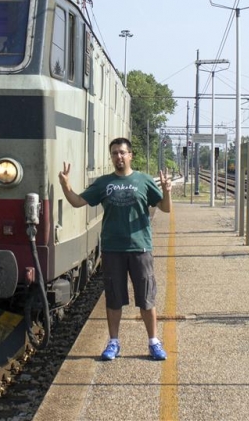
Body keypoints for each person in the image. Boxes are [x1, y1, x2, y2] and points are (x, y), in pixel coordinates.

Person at [58, 137, 172, 361]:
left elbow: (166, 208)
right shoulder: (104, 183)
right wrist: (65, 186)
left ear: (130, 155)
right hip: (112, 249)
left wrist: (167, 191)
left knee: (146, 298)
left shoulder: (143, 180)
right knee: (114, 298)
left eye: (122, 152)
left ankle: (154, 342)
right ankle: (113, 342)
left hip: (140, 248)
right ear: (111, 157)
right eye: (114, 153)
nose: (118, 157)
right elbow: (77, 202)